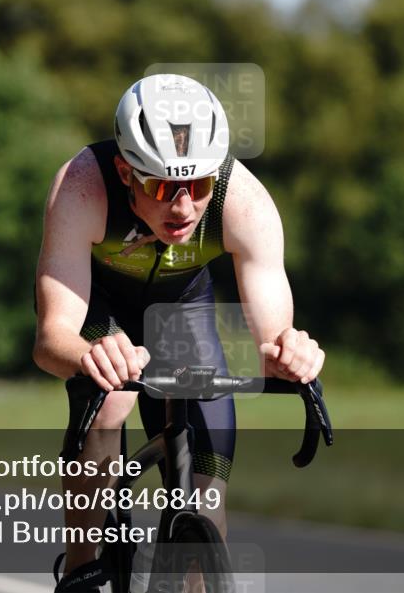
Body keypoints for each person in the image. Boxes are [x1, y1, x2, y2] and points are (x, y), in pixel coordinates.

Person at [33, 73, 325, 592]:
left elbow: (274, 335)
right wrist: (88, 356)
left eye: (199, 186)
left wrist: (289, 354)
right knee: (111, 402)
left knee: (208, 499)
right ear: (125, 172)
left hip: (181, 309)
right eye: (163, 187)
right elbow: (52, 336)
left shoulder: (243, 200)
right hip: (99, 306)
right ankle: (81, 570)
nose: (184, 207)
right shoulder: (82, 186)